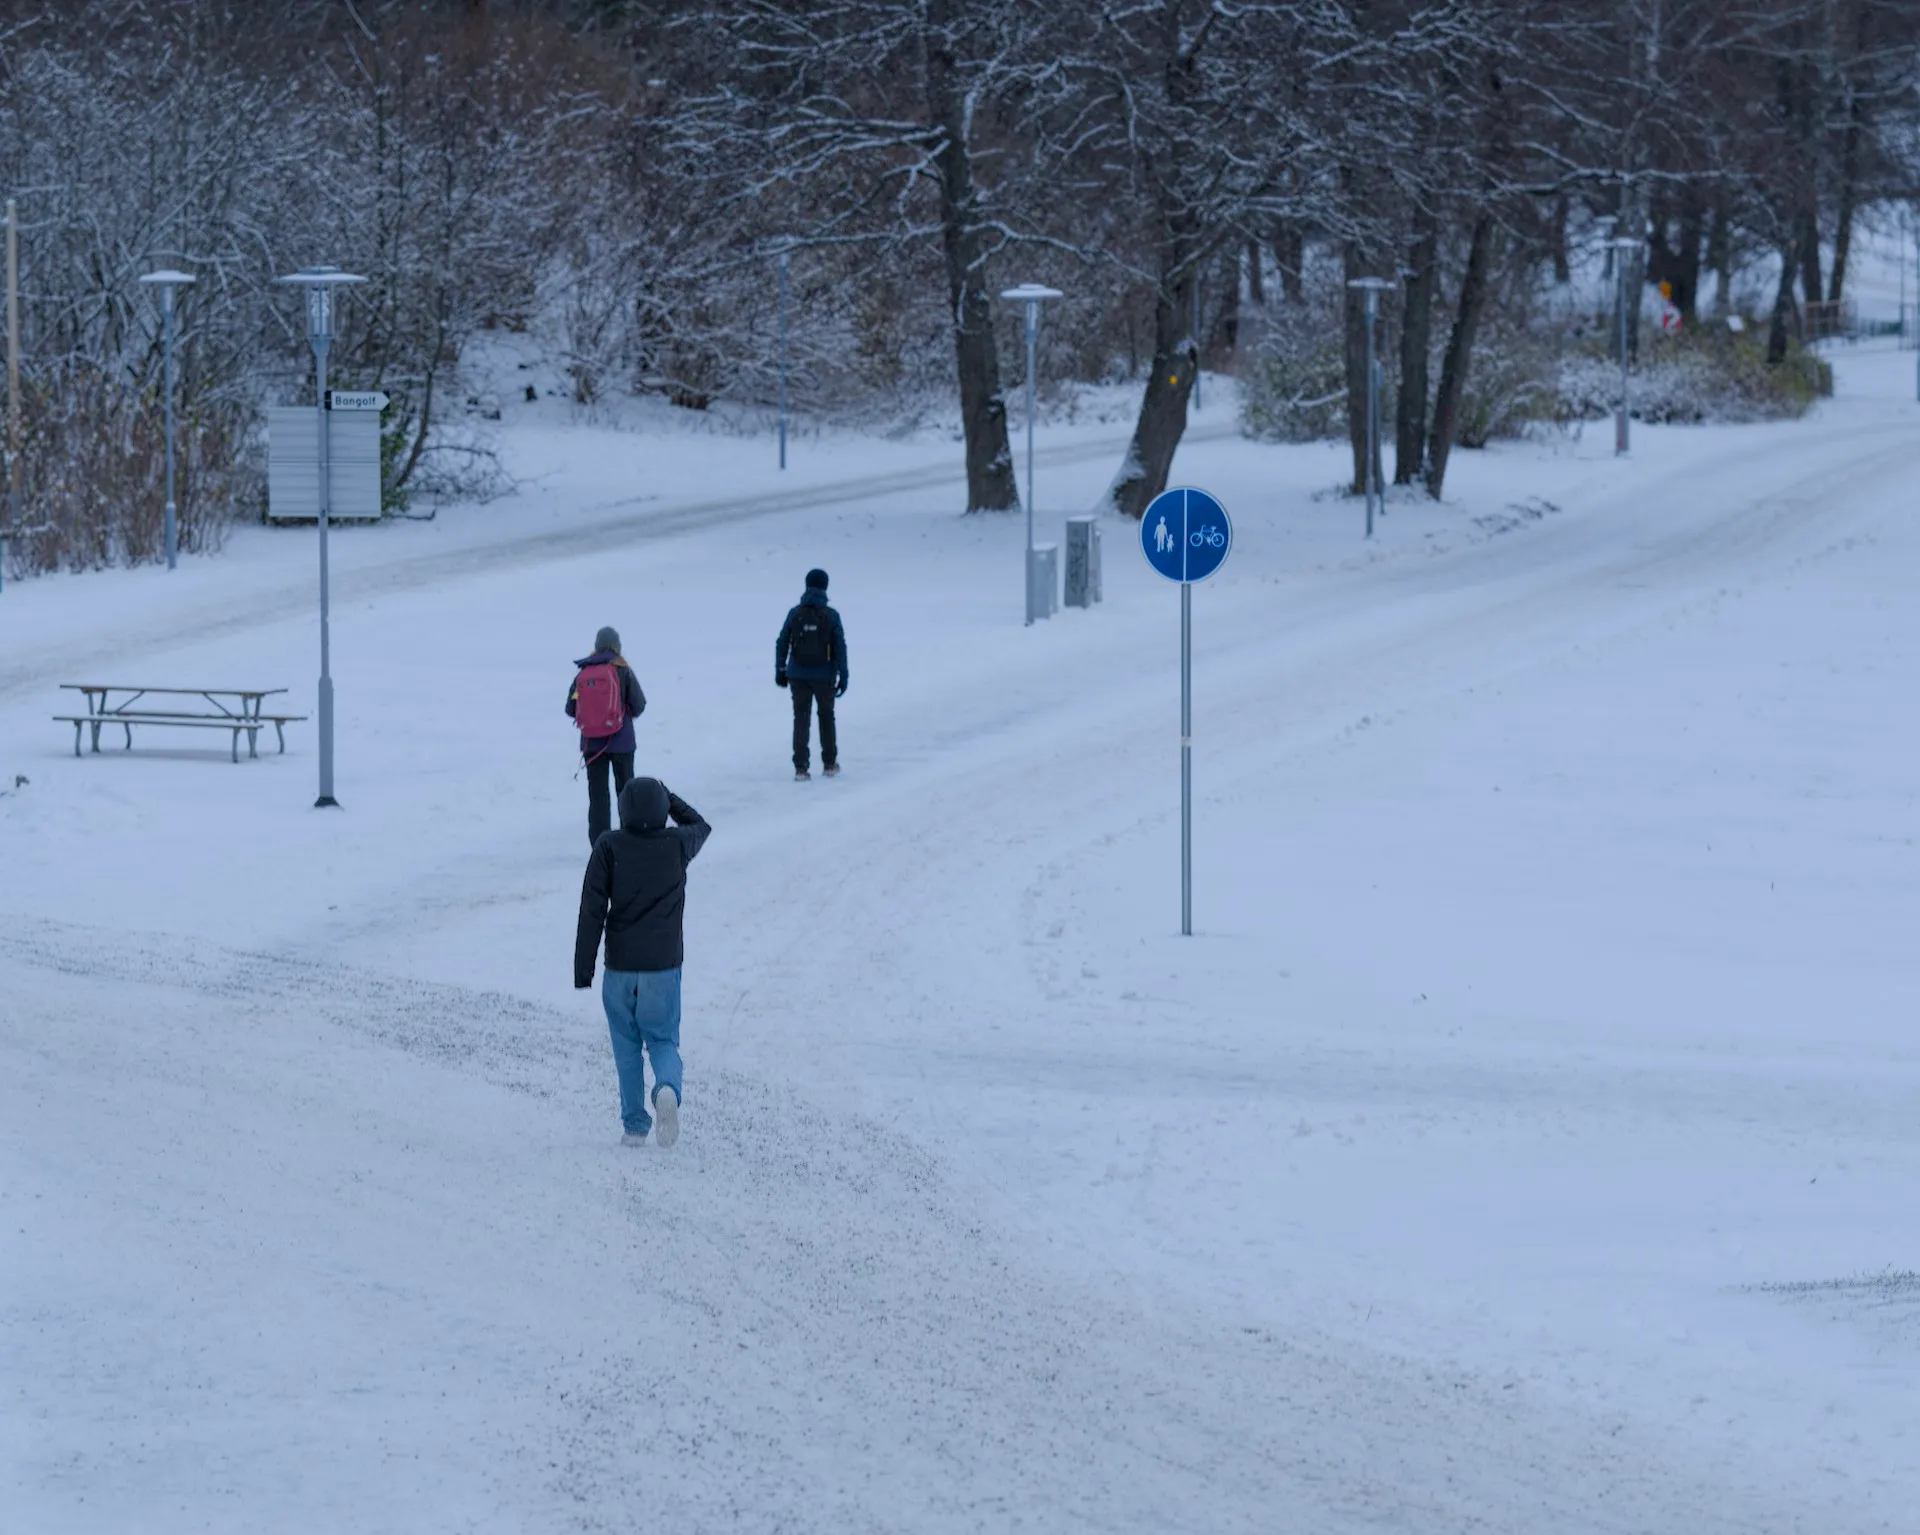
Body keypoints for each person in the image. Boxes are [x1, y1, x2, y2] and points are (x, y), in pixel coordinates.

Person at [574, 777, 711, 1147]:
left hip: (619, 970)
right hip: (662, 970)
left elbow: (591, 909)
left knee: (625, 1046)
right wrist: (670, 798)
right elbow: (701, 825)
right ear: (661, 809)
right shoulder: (676, 845)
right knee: (663, 1041)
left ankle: (635, 1125)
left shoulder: (609, 846)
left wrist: (583, 969)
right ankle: (666, 1088)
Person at [565, 626, 647, 846]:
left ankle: (601, 845)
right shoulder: (622, 669)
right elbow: (639, 705)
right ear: (617, 645)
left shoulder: (584, 672)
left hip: (592, 745)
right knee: (625, 792)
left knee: (598, 796)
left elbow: (570, 708)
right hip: (622, 743)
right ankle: (630, 840)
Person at [774, 568, 848, 781]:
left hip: (797, 675)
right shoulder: (831, 616)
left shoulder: (795, 613)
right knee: (826, 717)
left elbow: (782, 641)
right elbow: (840, 647)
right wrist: (844, 676)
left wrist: (780, 669)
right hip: (825, 676)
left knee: (801, 719)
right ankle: (830, 763)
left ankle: (801, 768)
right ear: (825, 586)